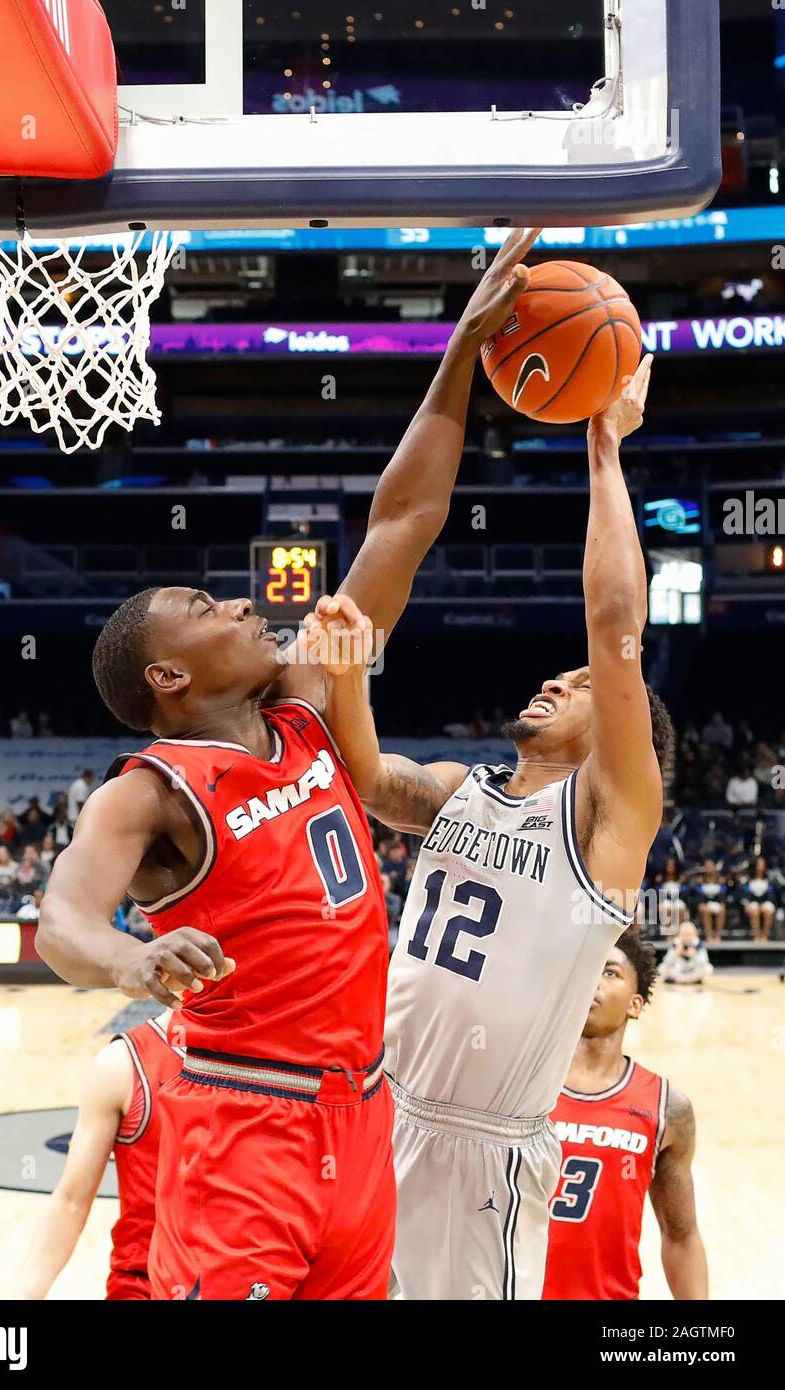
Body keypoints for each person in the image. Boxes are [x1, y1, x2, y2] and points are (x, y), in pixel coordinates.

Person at [37, 228, 542, 1302]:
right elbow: (62, 920)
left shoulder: (310, 706)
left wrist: (459, 347)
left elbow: (406, 517)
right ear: (169, 676)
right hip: (240, 1122)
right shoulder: (152, 786)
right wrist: (134, 963)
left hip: (362, 1113)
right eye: (204, 608)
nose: (236, 601)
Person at [304, 354, 670, 1300]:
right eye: (559, 675)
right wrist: (347, 671)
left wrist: (602, 448)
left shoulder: (604, 819)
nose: (556, 680)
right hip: (374, 1112)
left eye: (582, 686)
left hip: (480, 1157)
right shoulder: (460, 790)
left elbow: (611, 619)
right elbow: (362, 775)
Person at [543, 930, 708, 1300]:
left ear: (635, 1005)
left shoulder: (668, 1107)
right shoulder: (519, 1084)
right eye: (585, 969)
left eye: (610, 972)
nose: (592, 981)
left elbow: (680, 1236)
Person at [20, 1014, 181, 1300]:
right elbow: (71, 1201)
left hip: (250, 1281)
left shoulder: (275, 1054)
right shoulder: (121, 1064)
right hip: (145, 1286)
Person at [686, 858, 727, 944]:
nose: (709, 868)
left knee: (722, 910)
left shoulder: (720, 880)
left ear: (714, 867)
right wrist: (701, 903)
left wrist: (723, 904)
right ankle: (709, 936)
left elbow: (723, 894)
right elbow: (697, 895)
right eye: (707, 866)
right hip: (705, 904)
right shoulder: (700, 881)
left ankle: (718, 936)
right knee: (705, 910)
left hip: (717, 903)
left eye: (710, 866)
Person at [659, 922, 713, 986]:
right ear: (679, 934)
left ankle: (690, 980)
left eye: (689, 934)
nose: (687, 937)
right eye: (684, 934)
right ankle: (690, 981)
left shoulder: (698, 945)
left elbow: (704, 962)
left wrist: (694, 956)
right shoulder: (676, 944)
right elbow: (666, 962)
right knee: (662, 969)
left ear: (695, 934)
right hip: (678, 972)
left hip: (693, 972)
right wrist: (676, 954)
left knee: (708, 969)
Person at [739, 856, 778, 943]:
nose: (761, 866)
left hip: (765, 902)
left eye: (763, 864)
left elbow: (772, 895)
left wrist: (765, 904)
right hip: (752, 903)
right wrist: (746, 904)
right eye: (759, 864)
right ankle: (756, 936)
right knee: (754, 909)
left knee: (767, 909)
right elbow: (743, 895)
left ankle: (765, 936)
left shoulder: (769, 879)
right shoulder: (747, 879)